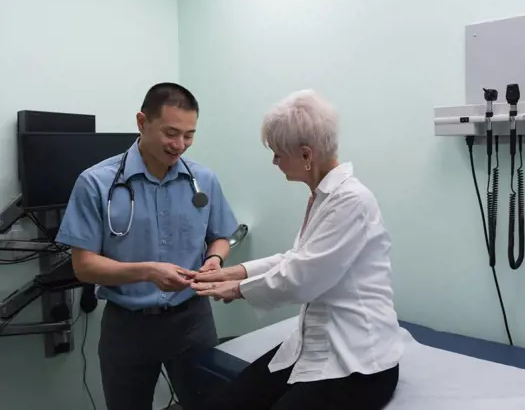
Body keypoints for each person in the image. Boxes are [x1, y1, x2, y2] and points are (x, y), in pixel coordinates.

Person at [192, 89, 404, 410]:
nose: (275, 161)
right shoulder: (324, 196)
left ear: (306, 154)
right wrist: (232, 271)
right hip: (312, 343)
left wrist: (236, 289)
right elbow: (296, 259)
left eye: (278, 153)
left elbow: (303, 277)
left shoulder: (351, 201)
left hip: (359, 362)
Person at [55, 82, 240, 410]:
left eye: (189, 135)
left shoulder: (204, 179)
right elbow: (84, 266)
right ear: (142, 122)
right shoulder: (96, 183)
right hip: (127, 326)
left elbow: (220, 236)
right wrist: (148, 272)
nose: (180, 145)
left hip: (191, 321)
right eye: (171, 133)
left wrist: (214, 258)